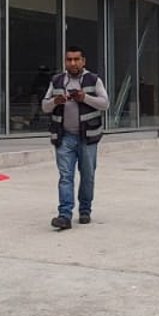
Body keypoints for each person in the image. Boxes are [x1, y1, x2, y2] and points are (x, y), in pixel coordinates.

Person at [42, 46, 107, 230]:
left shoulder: (94, 80)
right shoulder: (57, 81)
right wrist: (55, 101)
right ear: (65, 62)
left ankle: (85, 210)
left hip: (87, 138)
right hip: (64, 137)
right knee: (65, 176)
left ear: (83, 61)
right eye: (69, 59)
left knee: (87, 176)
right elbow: (45, 106)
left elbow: (105, 104)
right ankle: (64, 215)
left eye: (76, 59)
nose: (73, 63)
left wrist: (84, 97)